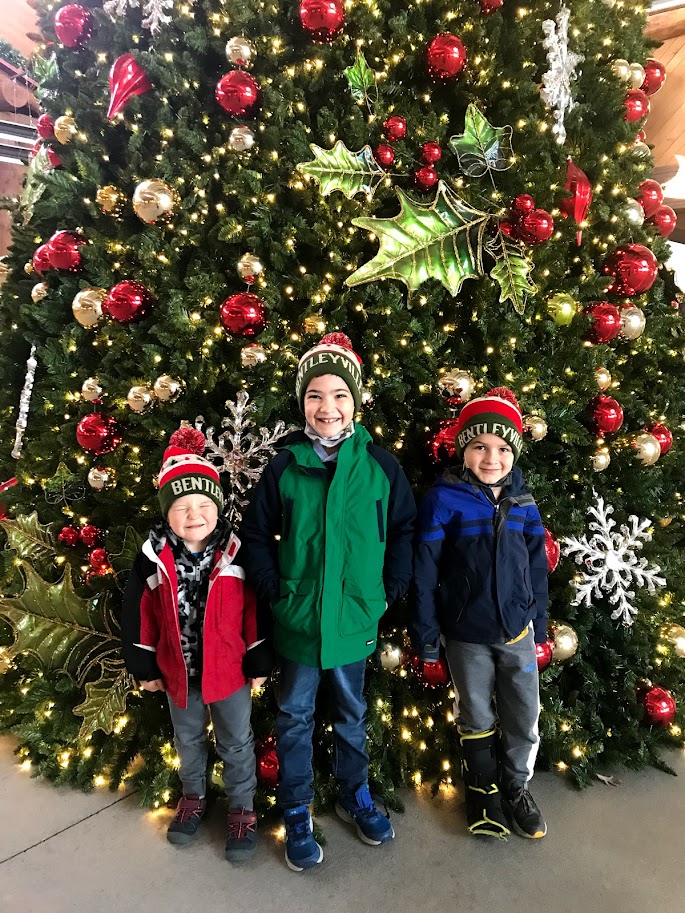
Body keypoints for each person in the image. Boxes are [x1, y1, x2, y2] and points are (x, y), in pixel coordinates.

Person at [241, 332, 415, 872]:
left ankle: (353, 791)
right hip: (297, 619)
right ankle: (296, 807)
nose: (327, 407)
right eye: (315, 395)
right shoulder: (285, 466)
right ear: (303, 403)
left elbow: (404, 529)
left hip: (355, 617)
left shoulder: (381, 468)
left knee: (350, 712)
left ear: (355, 401)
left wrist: (388, 591)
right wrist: (275, 591)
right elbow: (255, 534)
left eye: (339, 394)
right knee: (293, 715)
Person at [121, 426, 271, 861]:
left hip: (228, 671)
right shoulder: (153, 557)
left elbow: (254, 609)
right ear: (167, 513)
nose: (194, 514)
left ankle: (242, 806)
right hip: (177, 672)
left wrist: (258, 653)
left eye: (204, 504)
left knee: (236, 742)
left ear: (218, 507)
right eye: (182, 507)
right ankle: (194, 796)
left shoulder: (235, 552)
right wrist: (143, 665)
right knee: (188, 740)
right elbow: (138, 614)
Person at [412, 388, 548, 840]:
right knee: (475, 714)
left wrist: (538, 623)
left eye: (504, 448)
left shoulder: (524, 502)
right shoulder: (443, 500)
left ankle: (516, 787)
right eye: (480, 446)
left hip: (517, 632)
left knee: (523, 715)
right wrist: (429, 637)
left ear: (515, 453)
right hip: (466, 634)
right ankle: (482, 792)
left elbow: (536, 567)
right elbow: (425, 575)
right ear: (463, 449)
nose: (492, 457)